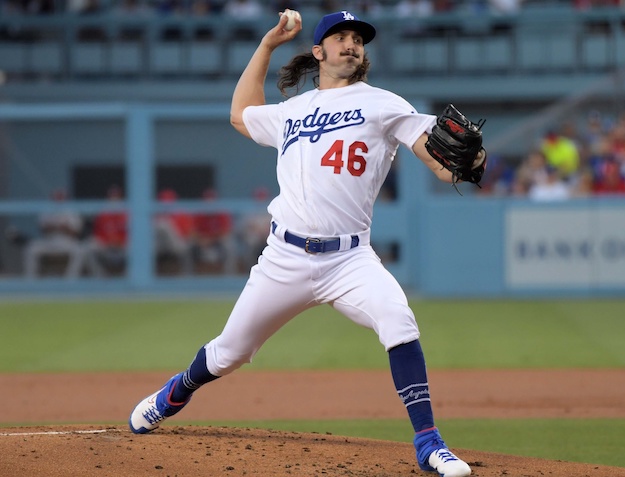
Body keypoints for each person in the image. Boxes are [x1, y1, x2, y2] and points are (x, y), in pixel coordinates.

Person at [129, 10, 481, 477]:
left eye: (358, 38)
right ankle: (175, 392)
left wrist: (473, 159)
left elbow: (442, 164)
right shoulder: (292, 110)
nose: (351, 44)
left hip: (351, 259)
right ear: (318, 52)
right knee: (228, 353)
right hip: (284, 258)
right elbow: (240, 115)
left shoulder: (384, 104)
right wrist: (267, 45)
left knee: (398, 319)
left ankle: (429, 442)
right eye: (340, 37)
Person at [23, 188, 86, 278]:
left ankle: (71, 279)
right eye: (56, 196)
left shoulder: (71, 211)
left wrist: (65, 228)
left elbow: (76, 232)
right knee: (31, 248)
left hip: (66, 242)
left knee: (80, 250)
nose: (58, 199)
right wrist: (52, 227)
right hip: (49, 241)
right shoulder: (47, 210)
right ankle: (30, 279)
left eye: (61, 197)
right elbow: (42, 229)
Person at [83, 184, 128, 277]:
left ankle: (130, 277)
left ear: (121, 198)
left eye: (117, 196)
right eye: (112, 196)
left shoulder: (128, 213)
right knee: (88, 246)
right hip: (106, 246)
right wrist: (107, 242)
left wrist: (121, 241)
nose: (114, 199)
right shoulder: (102, 214)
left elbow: (134, 233)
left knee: (139, 247)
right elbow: (97, 233)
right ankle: (100, 277)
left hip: (124, 247)